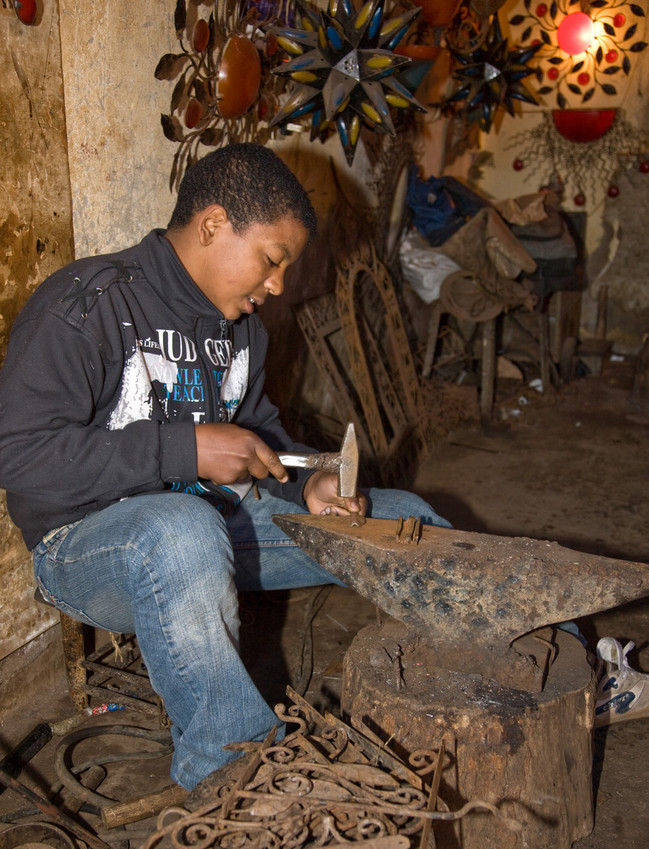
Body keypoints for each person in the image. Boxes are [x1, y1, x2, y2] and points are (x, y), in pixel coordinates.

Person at [0, 143, 452, 790]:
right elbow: (17, 455)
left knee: (403, 521)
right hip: (87, 545)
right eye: (271, 261)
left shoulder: (241, 328)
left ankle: (525, 661)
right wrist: (185, 449)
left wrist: (308, 483)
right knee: (181, 530)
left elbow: (260, 432)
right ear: (213, 225)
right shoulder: (85, 306)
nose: (277, 286)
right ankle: (235, 784)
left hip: (215, 524)